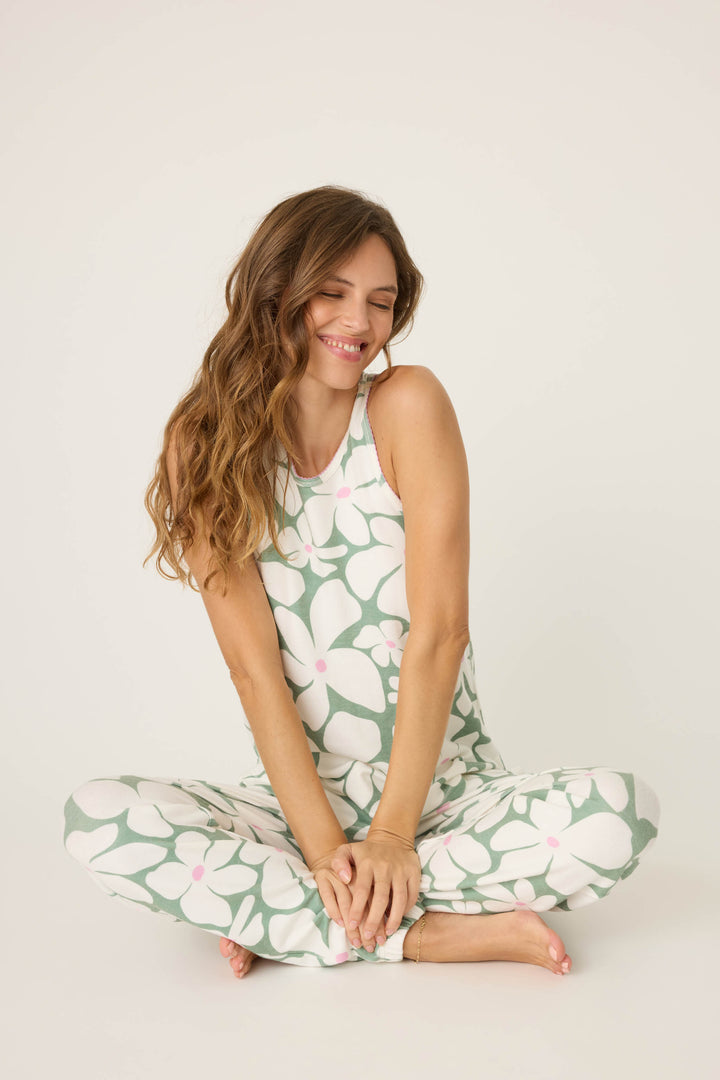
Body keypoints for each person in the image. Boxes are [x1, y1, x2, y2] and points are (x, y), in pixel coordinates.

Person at [63, 185, 660, 979]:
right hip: (293, 809)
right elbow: (254, 672)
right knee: (96, 820)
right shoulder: (201, 446)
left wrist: (391, 839)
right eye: (333, 294)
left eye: (380, 302)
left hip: (441, 800)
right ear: (275, 291)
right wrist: (323, 851)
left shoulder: (407, 405)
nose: (359, 322)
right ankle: (424, 933)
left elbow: (440, 635)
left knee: (621, 815)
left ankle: (287, 916)